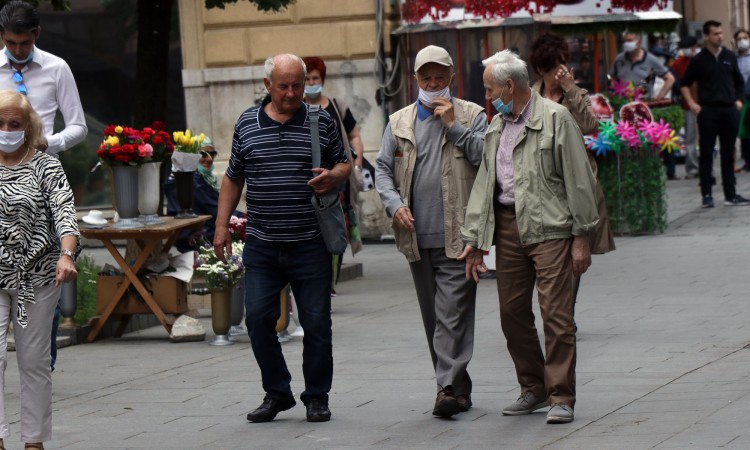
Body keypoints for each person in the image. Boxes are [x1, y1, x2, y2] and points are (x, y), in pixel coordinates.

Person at [459, 50, 599, 425]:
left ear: (509, 85)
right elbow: (486, 184)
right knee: (511, 313)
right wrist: (475, 240)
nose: (488, 97)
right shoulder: (496, 126)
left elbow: (579, 180)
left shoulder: (556, 119)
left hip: (552, 229)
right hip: (508, 226)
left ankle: (560, 395)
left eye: (490, 89)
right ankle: (533, 386)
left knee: (556, 316)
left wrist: (582, 237)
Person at [214, 54, 348, 423]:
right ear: (267, 84)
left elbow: (344, 162)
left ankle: (316, 396)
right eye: (283, 85)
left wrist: (334, 177)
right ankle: (277, 392)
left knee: (317, 324)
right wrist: (222, 225)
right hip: (262, 243)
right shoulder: (246, 122)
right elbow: (233, 176)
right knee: (257, 320)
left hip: (310, 242)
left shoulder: (321, 119)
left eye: (297, 86)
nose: (291, 93)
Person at [375, 45, 487, 418]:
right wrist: (395, 205)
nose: (433, 84)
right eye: (427, 78)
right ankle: (458, 388)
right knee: (434, 319)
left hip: (460, 236)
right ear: (416, 80)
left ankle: (447, 389)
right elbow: (382, 172)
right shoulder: (399, 121)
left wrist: (453, 125)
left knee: (452, 313)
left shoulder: (473, 115)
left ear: (451, 78)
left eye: (440, 78)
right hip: (416, 236)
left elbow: (485, 159)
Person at [0, 0, 87, 374]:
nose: (18, 50)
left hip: (42, 180)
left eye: (24, 42)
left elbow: (79, 125)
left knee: (45, 265)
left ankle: (41, 358)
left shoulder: (56, 68)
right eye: (10, 43)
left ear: (37, 34)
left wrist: (48, 143)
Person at [0, 90, 79, 450]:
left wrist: (67, 254)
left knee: (34, 361)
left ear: (28, 127)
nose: (6, 129)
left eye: (14, 124)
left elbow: (64, 210)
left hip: (39, 276)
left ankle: (33, 441)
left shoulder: (46, 165)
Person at [529, 32, 615, 320]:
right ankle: (559, 311)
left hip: (575, 179)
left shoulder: (576, 94)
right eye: (555, 67)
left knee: (575, 249)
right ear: (541, 69)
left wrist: (570, 89)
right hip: (542, 179)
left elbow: (590, 125)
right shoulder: (530, 97)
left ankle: (566, 313)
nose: (562, 71)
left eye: (564, 64)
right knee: (551, 250)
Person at [302, 56, 364, 295]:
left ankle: (331, 282)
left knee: (336, 226)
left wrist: (355, 163)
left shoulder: (337, 106)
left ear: (323, 79)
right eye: (307, 78)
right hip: (310, 178)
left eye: (315, 78)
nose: (311, 82)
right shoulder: (297, 109)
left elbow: (354, 136)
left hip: (339, 177)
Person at [680, 20, 750, 208]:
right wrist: (693, 104)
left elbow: (740, 82)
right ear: (706, 37)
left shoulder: (729, 56)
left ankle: (731, 194)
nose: (720, 36)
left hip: (729, 110)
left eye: (721, 33)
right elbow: (684, 83)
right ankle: (707, 195)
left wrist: (739, 100)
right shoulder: (699, 60)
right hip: (708, 111)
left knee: (729, 153)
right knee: (706, 153)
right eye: (716, 34)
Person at [165, 135, 242, 251]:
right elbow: (218, 209)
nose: (209, 159)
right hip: (197, 241)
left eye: (213, 154)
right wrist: (247, 218)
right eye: (203, 154)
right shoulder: (191, 180)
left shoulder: (193, 177)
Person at [610, 31, 675, 100]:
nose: (626, 44)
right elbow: (612, 77)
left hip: (643, 103)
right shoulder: (619, 59)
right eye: (625, 41)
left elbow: (670, 79)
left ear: (639, 42)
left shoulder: (651, 60)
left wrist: (659, 98)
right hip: (622, 102)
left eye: (629, 41)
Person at [671, 35, 701, 179]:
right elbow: (677, 84)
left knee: (702, 138)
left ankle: (702, 166)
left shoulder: (702, 60)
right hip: (687, 105)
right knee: (690, 138)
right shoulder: (677, 64)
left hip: (703, 103)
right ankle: (692, 168)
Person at [734, 29, 750, 171]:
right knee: (742, 132)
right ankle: (746, 159)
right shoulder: (733, 59)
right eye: (739, 38)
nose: (742, 41)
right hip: (738, 100)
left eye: (745, 38)